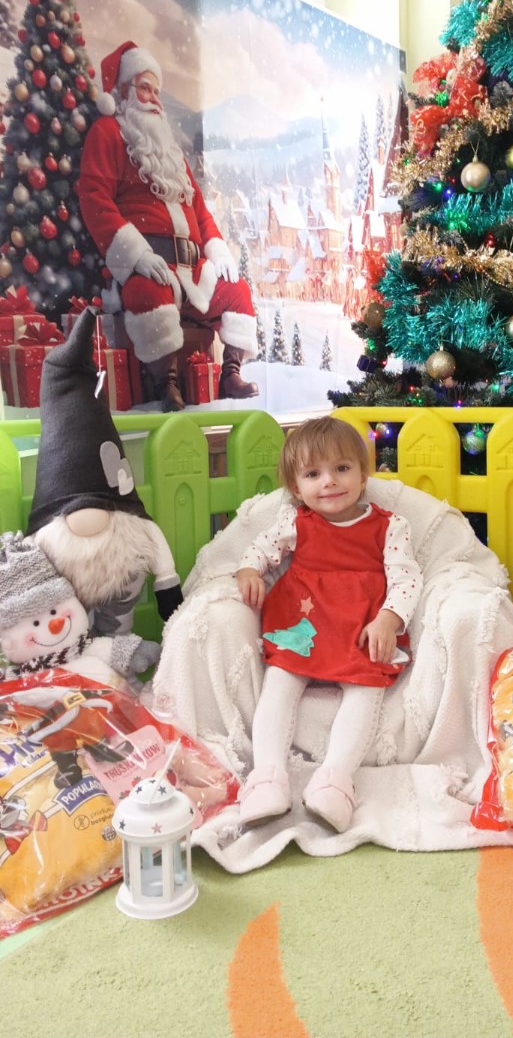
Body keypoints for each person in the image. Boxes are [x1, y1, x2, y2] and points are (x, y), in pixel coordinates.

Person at [234, 416, 423, 832]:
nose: (330, 482)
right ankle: (267, 777)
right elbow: (260, 549)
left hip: (361, 624)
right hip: (304, 620)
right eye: (313, 474)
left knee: (366, 689)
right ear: (296, 487)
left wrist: (388, 619)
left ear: (362, 474)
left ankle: (335, 781)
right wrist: (249, 571)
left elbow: (407, 578)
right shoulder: (294, 521)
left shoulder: (390, 526)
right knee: (280, 681)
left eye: (342, 468)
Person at [78, 41, 258, 410]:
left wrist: (217, 249)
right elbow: (95, 199)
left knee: (236, 290)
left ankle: (231, 374)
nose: (154, 99)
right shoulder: (108, 133)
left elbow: (200, 211)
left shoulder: (171, 153)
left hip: (193, 271)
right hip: (150, 265)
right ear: (123, 92)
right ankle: (167, 383)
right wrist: (136, 256)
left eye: (157, 91)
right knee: (148, 292)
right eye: (145, 88)